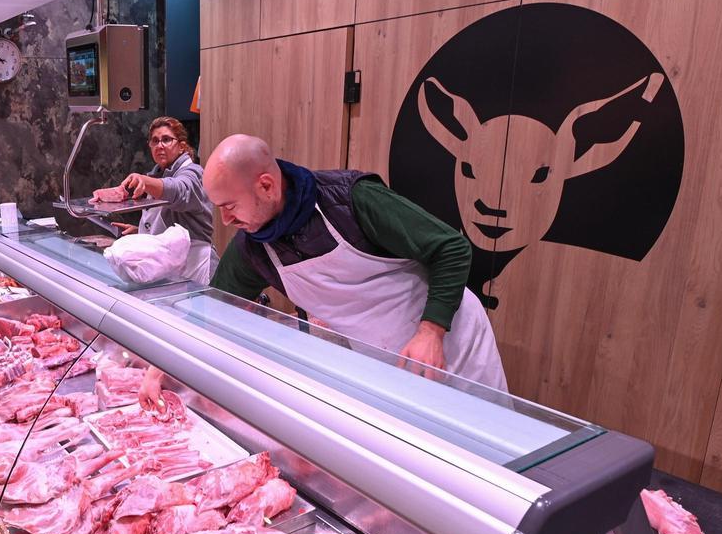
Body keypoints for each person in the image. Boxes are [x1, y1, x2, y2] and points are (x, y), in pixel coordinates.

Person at [141, 133, 506, 406]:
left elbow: (450, 247)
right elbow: (214, 308)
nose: (226, 219)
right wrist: (161, 366)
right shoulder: (254, 248)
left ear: (266, 185)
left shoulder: (351, 199)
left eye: (230, 205)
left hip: (451, 339)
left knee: (492, 458)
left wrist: (431, 330)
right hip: (382, 359)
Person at [92, 116, 219, 283]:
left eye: (166, 140)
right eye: (155, 141)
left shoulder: (193, 172)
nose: (160, 145)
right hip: (172, 270)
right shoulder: (157, 174)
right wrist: (142, 232)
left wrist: (144, 181)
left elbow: (179, 190)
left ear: (181, 146)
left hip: (197, 267)